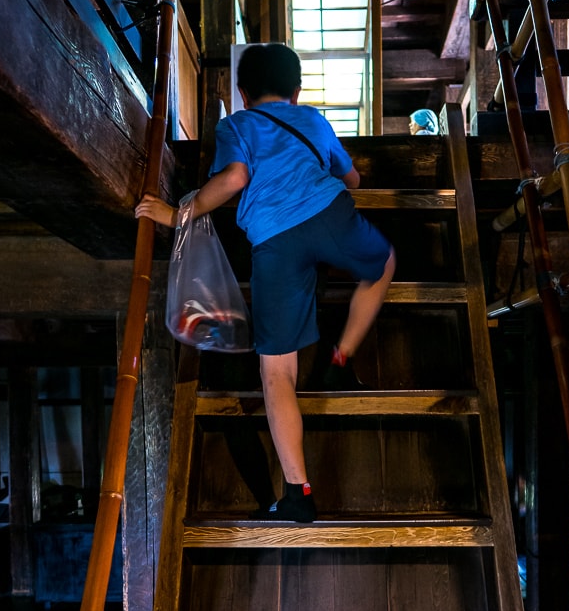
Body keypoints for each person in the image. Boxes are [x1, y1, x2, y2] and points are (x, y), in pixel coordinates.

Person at [136, 42, 396, 524]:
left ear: (241, 92)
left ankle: (298, 493)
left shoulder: (235, 125)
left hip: (274, 242)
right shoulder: (314, 119)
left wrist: (177, 213)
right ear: (296, 91)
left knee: (277, 372)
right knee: (382, 264)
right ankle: (342, 355)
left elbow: (235, 179)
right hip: (329, 216)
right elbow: (353, 178)